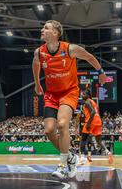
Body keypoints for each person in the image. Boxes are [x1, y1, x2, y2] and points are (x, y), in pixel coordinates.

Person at [32, 20, 107, 180]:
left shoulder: (70, 49)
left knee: (62, 124)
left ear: (55, 33)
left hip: (69, 93)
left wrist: (100, 72)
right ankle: (71, 157)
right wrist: (38, 83)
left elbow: (89, 57)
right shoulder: (39, 52)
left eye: (46, 28)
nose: (42, 30)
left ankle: (62, 165)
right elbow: (35, 64)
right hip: (51, 95)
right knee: (49, 129)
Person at [80, 89, 113, 164]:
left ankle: (82, 157)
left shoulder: (87, 101)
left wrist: (88, 123)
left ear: (88, 96)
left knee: (83, 139)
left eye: (84, 94)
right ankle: (108, 152)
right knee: (99, 140)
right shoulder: (93, 102)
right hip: (98, 121)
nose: (82, 95)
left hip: (92, 121)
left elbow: (93, 112)